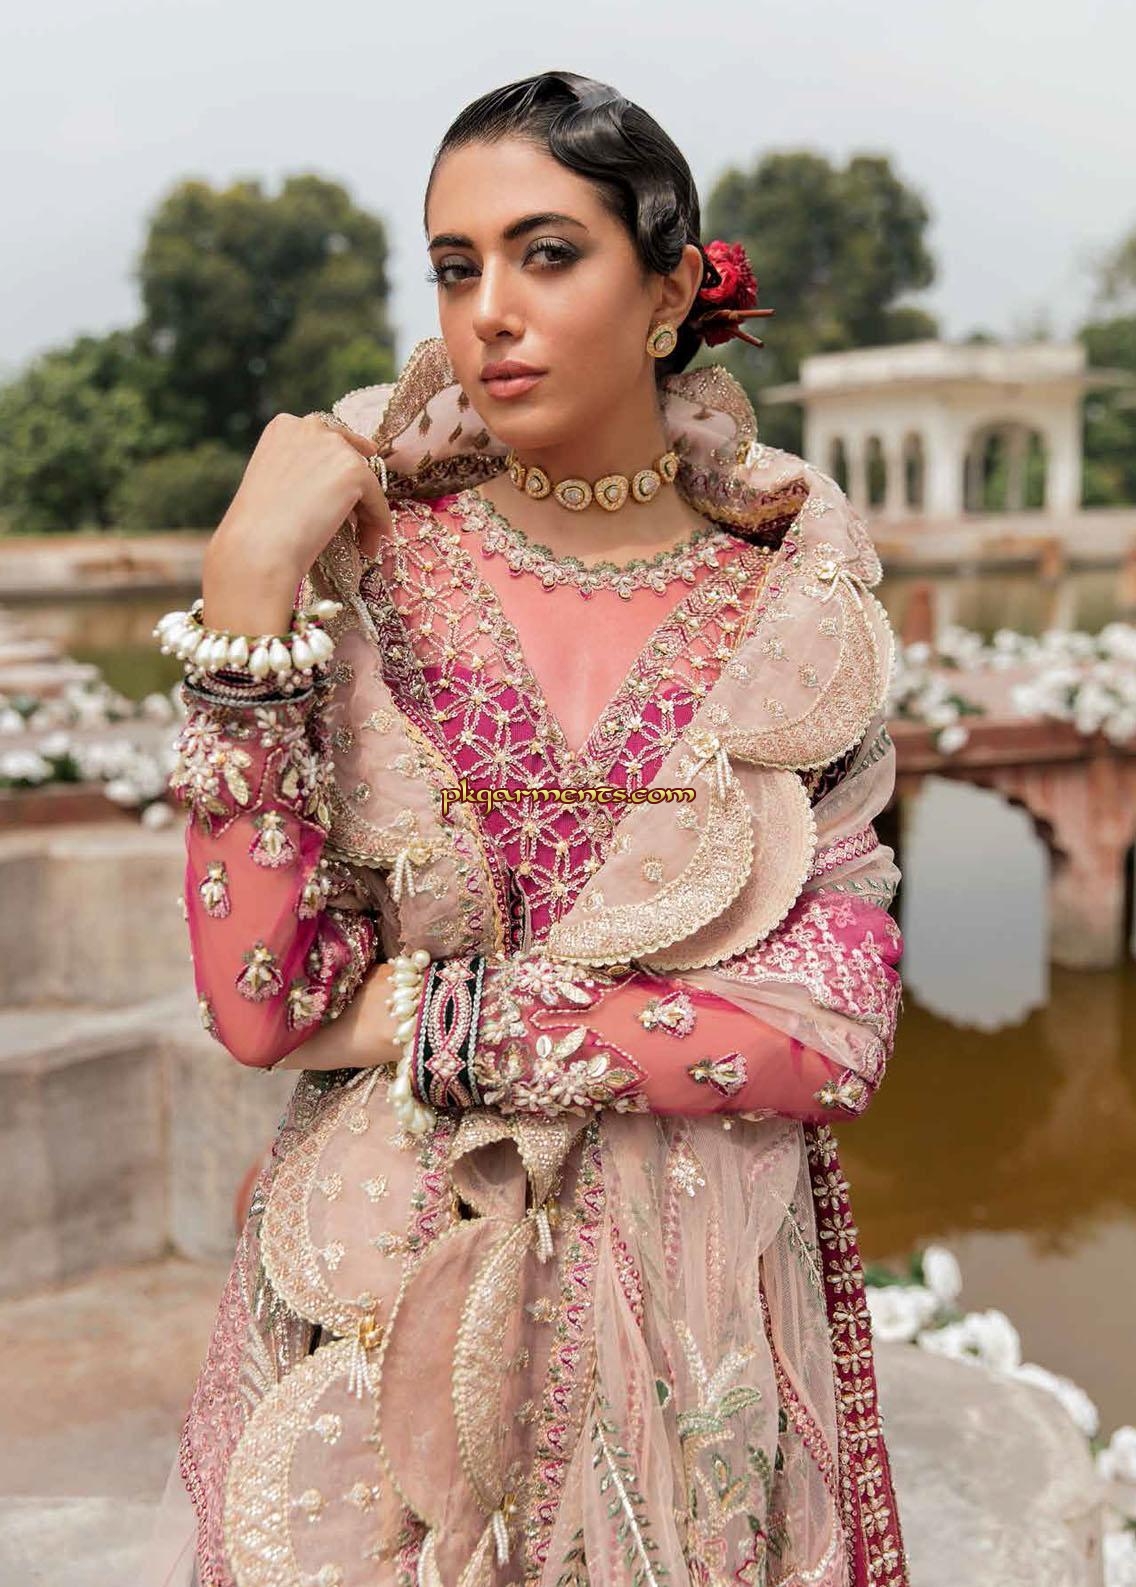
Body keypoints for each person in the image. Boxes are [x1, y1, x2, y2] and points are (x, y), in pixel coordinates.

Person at [145, 69, 910, 1587]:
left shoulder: (790, 605)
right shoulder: (367, 573)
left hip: (691, 1303)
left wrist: (434, 1021)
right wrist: (246, 588)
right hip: (389, 1276)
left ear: (671, 293)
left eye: (547, 254)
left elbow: (832, 1028)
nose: (489, 311)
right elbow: (263, 1003)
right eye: (455, 266)